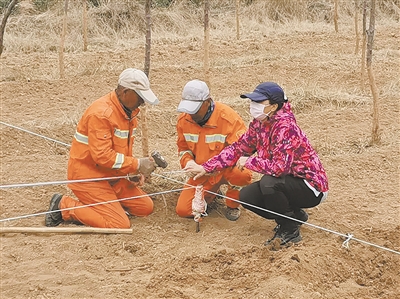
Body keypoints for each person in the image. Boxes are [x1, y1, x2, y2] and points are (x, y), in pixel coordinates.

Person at [185, 82, 328, 245]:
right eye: (252, 101)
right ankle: (296, 216)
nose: (253, 105)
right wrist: (206, 167)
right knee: (247, 196)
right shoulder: (259, 124)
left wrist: (249, 161)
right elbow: (238, 148)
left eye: (258, 102)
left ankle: (289, 230)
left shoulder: (286, 128)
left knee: (269, 183)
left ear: (273, 106)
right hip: (288, 183)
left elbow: (280, 168)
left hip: (311, 187)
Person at [45, 68, 160, 228]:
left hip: (111, 175)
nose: (143, 101)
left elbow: (120, 151)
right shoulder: (101, 114)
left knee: (145, 207)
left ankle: (108, 206)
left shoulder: (128, 112)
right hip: (88, 177)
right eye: (140, 96)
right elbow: (103, 156)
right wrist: (137, 164)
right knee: (119, 224)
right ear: (126, 92)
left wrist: (130, 172)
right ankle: (63, 206)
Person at [176, 79, 252, 221]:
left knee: (241, 174)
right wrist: (188, 162)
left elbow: (241, 152)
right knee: (184, 210)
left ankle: (233, 204)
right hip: (201, 172)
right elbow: (183, 148)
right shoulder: (183, 120)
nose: (192, 114)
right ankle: (211, 195)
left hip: (227, 169)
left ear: (207, 102)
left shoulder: (228, 119)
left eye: (196, 109)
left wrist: (212, 168)